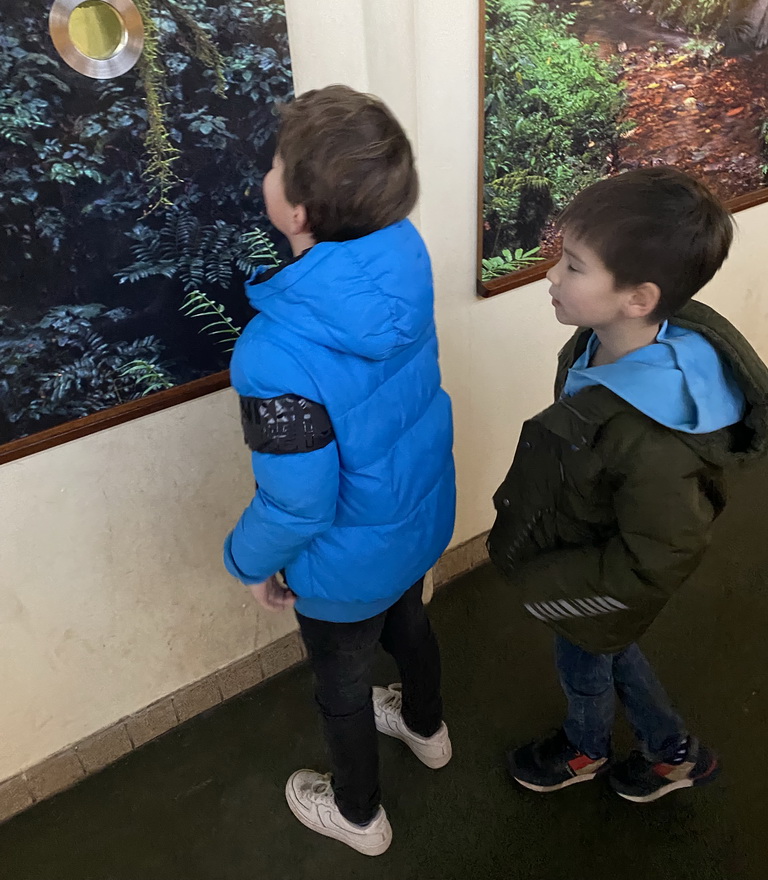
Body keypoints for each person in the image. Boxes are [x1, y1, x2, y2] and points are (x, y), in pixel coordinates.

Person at [223, 85, 455, 856]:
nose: (268, 171)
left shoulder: (272, 353)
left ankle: (359, 816)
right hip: (415, 521)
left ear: (296, 212)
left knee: (342, 687)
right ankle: (428, 728)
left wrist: (249, 562)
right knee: (412, 624)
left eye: (277, 163)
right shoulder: (404, 256)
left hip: (343, 566)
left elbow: (297, 506)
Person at [487, 166, 768, 803]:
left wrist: (555, 590)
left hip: (597, 574)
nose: (552, 276)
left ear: (638, 298)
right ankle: (673, 753)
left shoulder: (655, 441)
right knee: (613, 651)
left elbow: (659, 555)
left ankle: (587, 747)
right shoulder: (598, 340)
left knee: (584, 658)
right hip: (588, 545)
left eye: (575, 265)